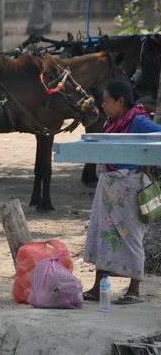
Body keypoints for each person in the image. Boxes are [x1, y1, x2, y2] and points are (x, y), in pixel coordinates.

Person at [82, 80, 161, 305]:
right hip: (108, 187)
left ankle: (134, 290)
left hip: (129, 189)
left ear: (121, 101)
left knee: (131, 237)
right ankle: (99, 288)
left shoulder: (138, 122)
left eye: (106, 100)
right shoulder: (113, 122)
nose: (103, 105)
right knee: (103, 234)